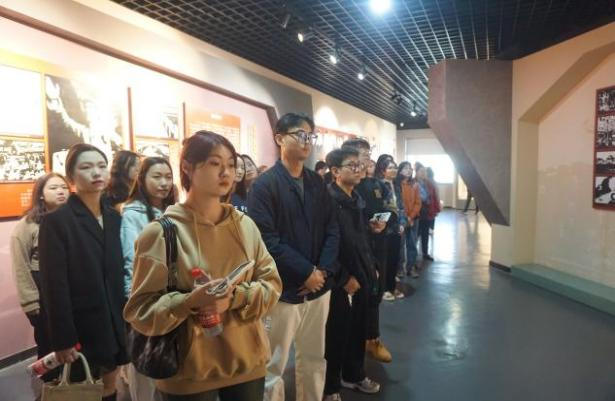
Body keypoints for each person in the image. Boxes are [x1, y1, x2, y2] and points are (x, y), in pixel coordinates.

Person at [124, 131, 282, 401]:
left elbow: (272, 285)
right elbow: (140, 311)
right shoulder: (161, 234)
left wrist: (234, 298)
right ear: (187, 167)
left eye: (231, 164)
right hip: (188, 373)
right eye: (214, 163)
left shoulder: (245, 226)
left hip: (247, 365)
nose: (226, 172)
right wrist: (188, 302)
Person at [248, 113, 339, 401]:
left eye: (311, 136)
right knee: (273, 364)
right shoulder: (263, 186)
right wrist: (305, 272)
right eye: (301, 135)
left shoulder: (316, 183)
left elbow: (332, 228)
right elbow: (267, 240)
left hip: (319, 288)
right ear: (279, 138)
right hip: (284, 289)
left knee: (314, 357)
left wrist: (322, 271)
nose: (307, 141)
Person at [38, 143, 128, 401]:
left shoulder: (114, 218)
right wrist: (63, 339)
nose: (96, 172)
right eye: (86, 167)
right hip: (81, 322)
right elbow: (54, 285)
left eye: (102, 166)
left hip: (113, 318)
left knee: (110, 386)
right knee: (82, 390)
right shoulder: (57, 221)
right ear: (71, 177)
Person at [323, 148, 383, 401]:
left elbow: (360, 239)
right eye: (352, 165)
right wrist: (343, 277)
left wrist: (371, 265)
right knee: (336, 334)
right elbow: (325, 245)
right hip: (341, 281)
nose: (359, 169)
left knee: (358, 329)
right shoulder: (328, 201)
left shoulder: (356, 198)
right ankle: (331, 386)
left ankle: (354, 374)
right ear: (335, 171)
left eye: (360, 164)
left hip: (362, 275)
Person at [120, 157, 176, 401]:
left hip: (172, 295)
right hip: (144, 297)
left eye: (168, 177)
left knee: (167, 359)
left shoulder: (173, 211)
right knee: (144, 362)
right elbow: (131, 259)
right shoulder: (132, 213)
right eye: (157, 176)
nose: (164, 183)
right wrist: (133, 299)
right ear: (142, 179)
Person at [10, 172, 70, 399]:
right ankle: (49, 390)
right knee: (48, 345)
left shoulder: (72, 220)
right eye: (53, 188)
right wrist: (30, 302)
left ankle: (72, 388)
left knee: (72, 345)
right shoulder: (28, 225)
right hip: (42, 291)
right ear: (41, 195)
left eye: (64, 187)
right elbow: (21, 266)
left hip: (68, 289)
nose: (60, 191)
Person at [341, 139, 392, 363]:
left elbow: (390, 209)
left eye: (367, 154)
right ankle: (355, 344)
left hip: (376, 247)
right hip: (353, 254)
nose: (366, 159)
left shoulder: (375, 185)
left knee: (375, 294)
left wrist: (384, 223)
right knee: (354, 300)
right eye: (362, 155)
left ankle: (372, 339)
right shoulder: (342, 187)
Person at [375, 156, 405, 302]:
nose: (394, 170)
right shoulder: (379, 185)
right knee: (384, 261)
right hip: (385, 229)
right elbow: (380, 208)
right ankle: (384, 289)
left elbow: (401, 207)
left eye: (395, 167)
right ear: (383, 170)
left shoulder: (397, 186)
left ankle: (392, 286)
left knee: (394, 259)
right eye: (390, 168)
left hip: (397, 228)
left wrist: (402, 223)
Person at [398, 162, 421, 278]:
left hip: (413, 219)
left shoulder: (415, 184)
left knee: (412, 244)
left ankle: (410, 267)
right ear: (400, 170)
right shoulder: (396, 184)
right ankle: (400, 269)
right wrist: (404, 217)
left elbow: (418, 203)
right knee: (400, 245)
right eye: (405, 168)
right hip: (400, 219)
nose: (409, 170)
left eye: (410, 168)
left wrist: (410, 217)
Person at [416, 166, 439, 261]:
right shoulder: (413, 183)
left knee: (425, 233)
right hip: (417, 212)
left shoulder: (428, 183)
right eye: (421, 171)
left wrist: (435, 208)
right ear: (416, 172)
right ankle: (412, 257)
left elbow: (433, 196)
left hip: (426, 211)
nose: (423, 173)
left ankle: (425, 253)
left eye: (424, 171)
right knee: (416, 234)